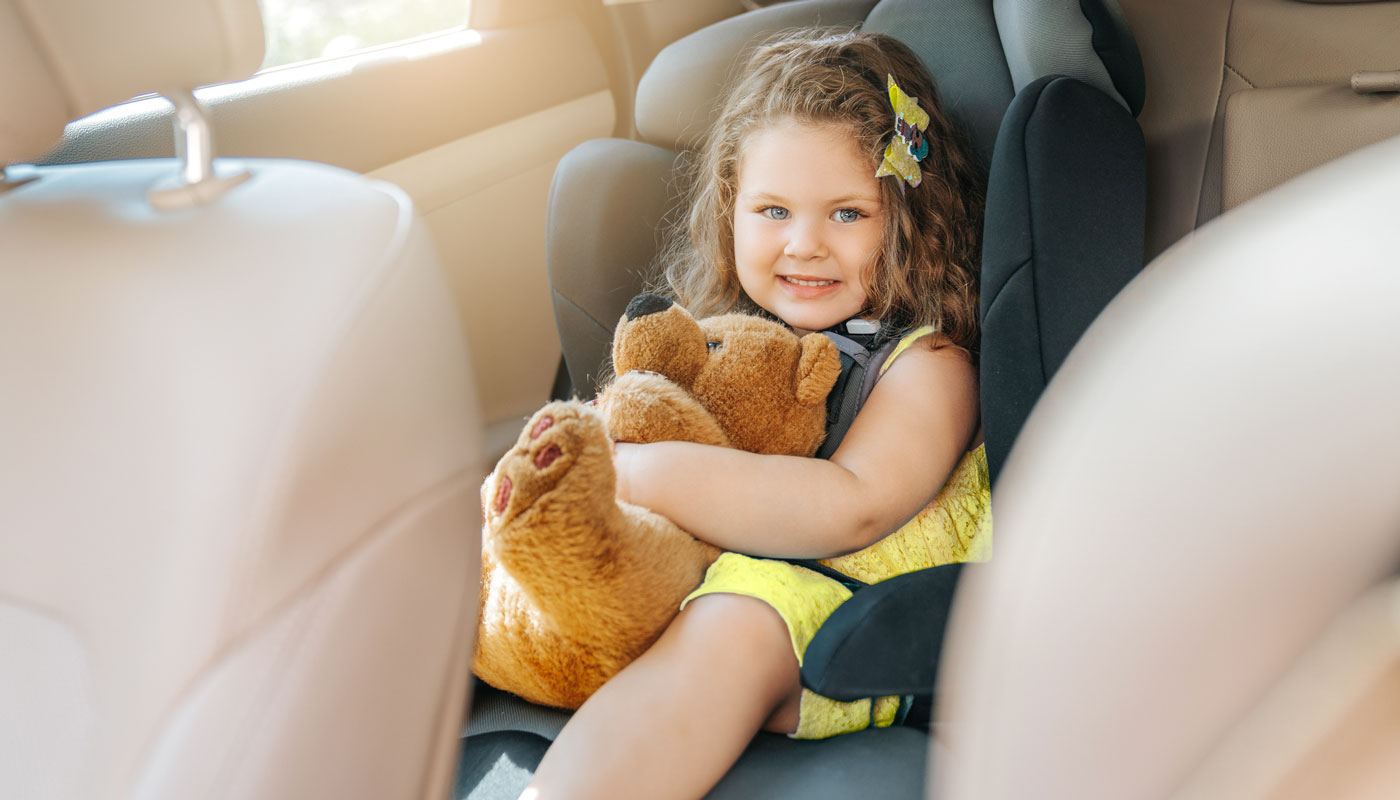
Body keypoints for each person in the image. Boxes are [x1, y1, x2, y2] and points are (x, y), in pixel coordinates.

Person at [525, 28, 989, 800]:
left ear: (907, 221)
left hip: (855, 610)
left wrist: (641, 474)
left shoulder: (930, 366)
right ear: (731, 211)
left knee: (734, 628)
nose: (804, 244)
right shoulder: (727, 339)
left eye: (847, 214)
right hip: (729, 571)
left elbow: (853, 507)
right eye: (773, 210)